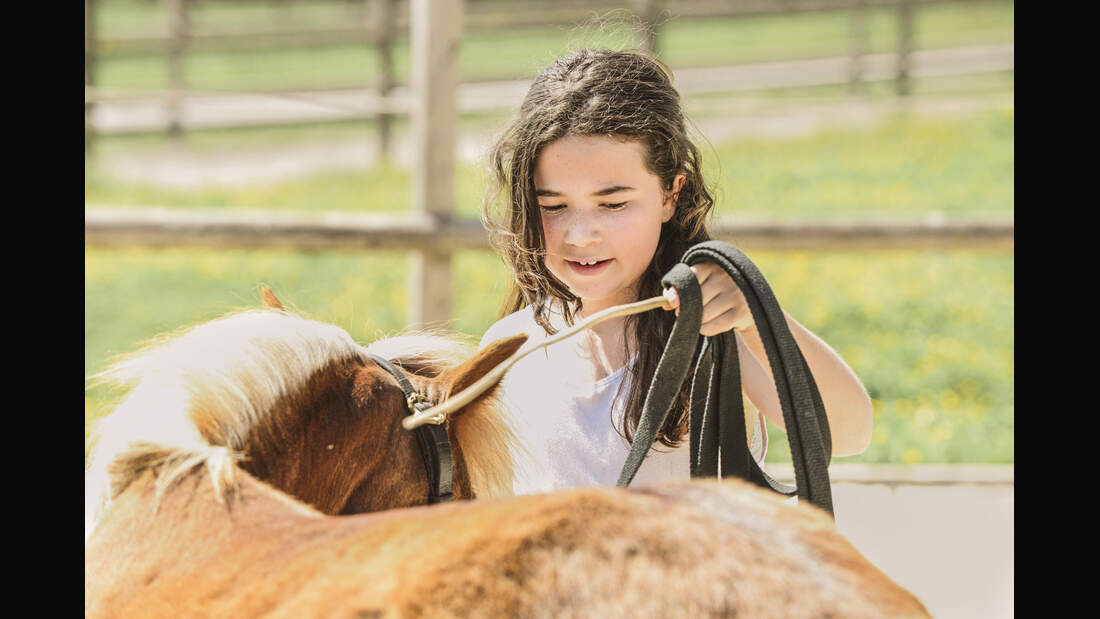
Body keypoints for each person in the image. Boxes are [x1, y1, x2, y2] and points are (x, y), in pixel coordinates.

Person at [478, 48, 872, 496]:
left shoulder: (715, 332)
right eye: (554, 206)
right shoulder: (511, 348)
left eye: (613, 204)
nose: (580, 235)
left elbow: (848, 432)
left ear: (671, 194)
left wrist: (751, 319)